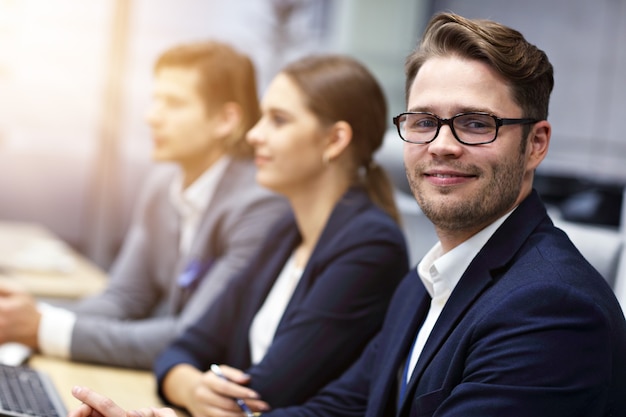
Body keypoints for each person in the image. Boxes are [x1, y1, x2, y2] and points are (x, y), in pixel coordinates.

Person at [68, 11, 626, 417]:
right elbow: (339, 408)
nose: (443, 144)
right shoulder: (428, 280)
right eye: (424, 121)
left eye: (477, 124)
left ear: (536, 144)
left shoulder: (553, 310)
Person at [71, 53, 410, 417]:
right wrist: (188, 385)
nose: (253, 135)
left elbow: (265, 392)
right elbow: (184, 346)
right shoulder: (286, 232)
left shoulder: (371, 246)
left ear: (334, 140)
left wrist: (191, 388)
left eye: (277, 121)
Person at [0, 40, 288, 369]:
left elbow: (191, 336)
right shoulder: (163, 184)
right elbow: (124, 298)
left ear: (225, 120)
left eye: (174, 103)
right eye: (155, 100)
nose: (152, 117)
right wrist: (24, 319)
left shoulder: (259, 204)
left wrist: (41, 328)